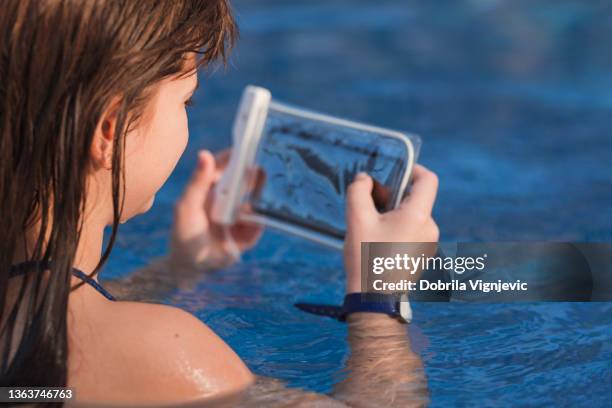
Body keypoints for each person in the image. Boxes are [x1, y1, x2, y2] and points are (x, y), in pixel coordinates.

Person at [0, 1, 439, 406]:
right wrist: (378, 299)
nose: (189, 115)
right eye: (185, 99)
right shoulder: (165, 354)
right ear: (110, 130)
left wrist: (180, 268)